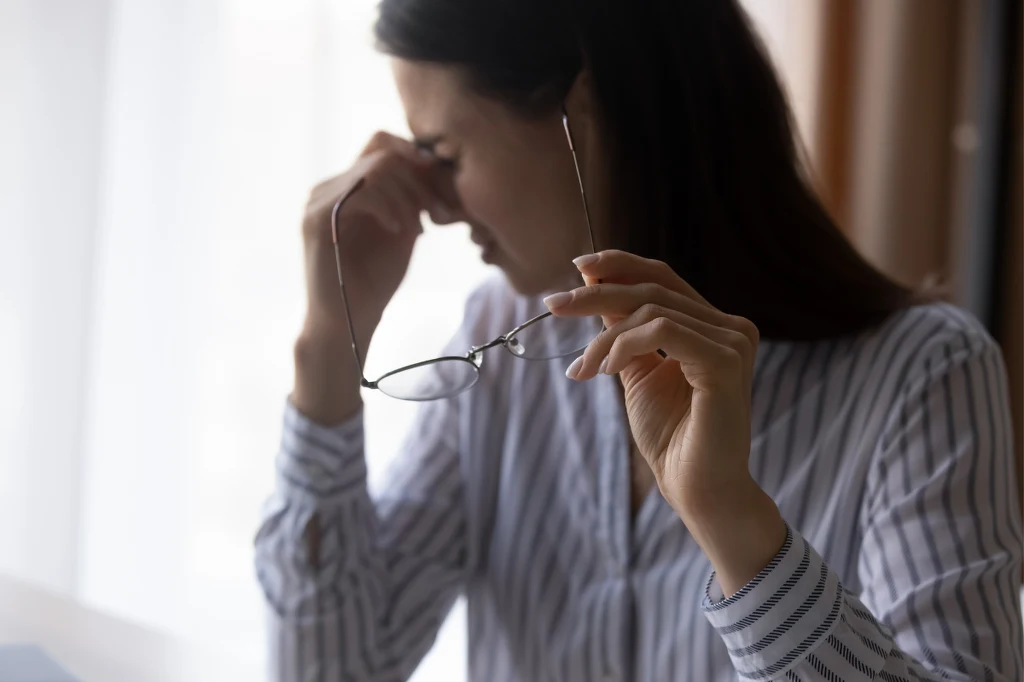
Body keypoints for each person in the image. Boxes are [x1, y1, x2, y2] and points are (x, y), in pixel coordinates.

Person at [254, 0, 1023, 680]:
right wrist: (327, 346)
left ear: (583, 108)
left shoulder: (921, 376)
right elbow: (331, 667)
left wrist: (731, 516)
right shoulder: (497, 343)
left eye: (445, 156)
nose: (441, 210)